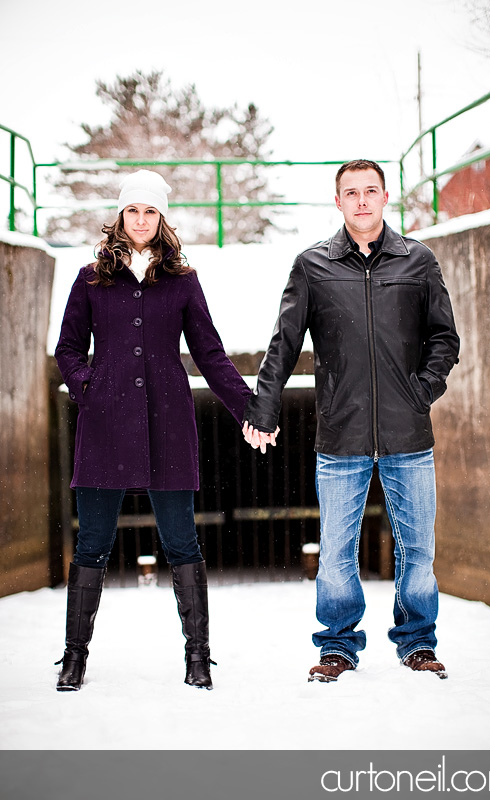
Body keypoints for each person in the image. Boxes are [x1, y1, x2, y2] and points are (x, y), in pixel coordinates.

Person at [243, 159, 459, 681]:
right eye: (351, 192)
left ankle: (417, 642)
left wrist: (421, 390)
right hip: (340, 436)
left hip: (409, 434)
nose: (361, 200)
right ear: (337, 202)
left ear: (386, 197)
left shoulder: (418, 261)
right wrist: (264, 407)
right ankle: (337, 647)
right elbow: (284, 344)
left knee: (419, 550)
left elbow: (444, 338)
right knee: (337, 551)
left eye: (370, 191)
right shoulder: (312, 265)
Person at [55, 169, 251, 692]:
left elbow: (209, 353)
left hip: (168, 425)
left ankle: (198, 656)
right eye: (133, 210)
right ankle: (74, 657)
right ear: (121, 215)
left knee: (182, 543)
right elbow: (68, 348)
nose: (141, 220)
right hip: (104, 427)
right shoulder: (91, 278)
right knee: (92, 543)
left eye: (150, 212)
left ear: (162, 219)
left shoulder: (183, 281)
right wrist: (88, 387)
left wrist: (250, 409)